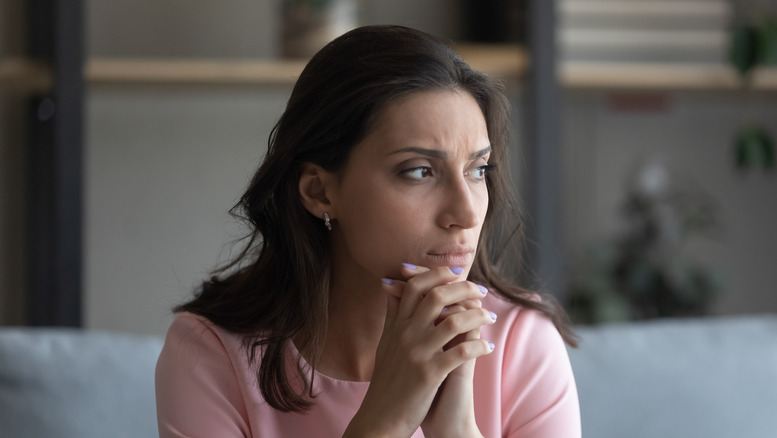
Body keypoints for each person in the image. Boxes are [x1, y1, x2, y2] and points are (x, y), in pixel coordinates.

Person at [155, 25, 581, 437]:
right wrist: (385, 421)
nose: (467, 213)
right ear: (319, 191)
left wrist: (456, 431)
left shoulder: (522, 342)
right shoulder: (211, 353)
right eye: (419, 171)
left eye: (477, 170)